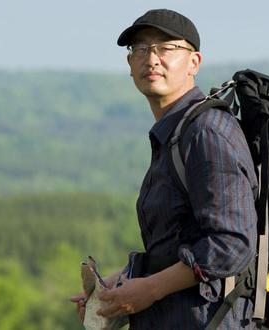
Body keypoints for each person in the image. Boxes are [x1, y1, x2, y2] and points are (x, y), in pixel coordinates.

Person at [71, 9, 258, 329]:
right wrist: (121, 285)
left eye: (166, 48)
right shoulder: (176, 133)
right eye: (140, 49)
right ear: (130, 65)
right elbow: (175, 245)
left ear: (194, 62)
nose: (151, 58)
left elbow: (232, 244)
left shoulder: (206, 132)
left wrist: (150, 290)